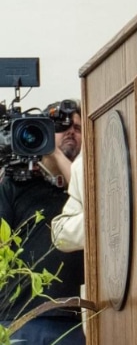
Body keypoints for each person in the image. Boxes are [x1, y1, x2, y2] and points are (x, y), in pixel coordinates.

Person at [0, 99, 85, 345]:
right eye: (59, 126)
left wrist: (55, 152)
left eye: (78, 128)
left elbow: (89, 198)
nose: (70, 131)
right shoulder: (15, 184)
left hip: (73, 319)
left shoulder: (86, 185)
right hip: (20, 316)